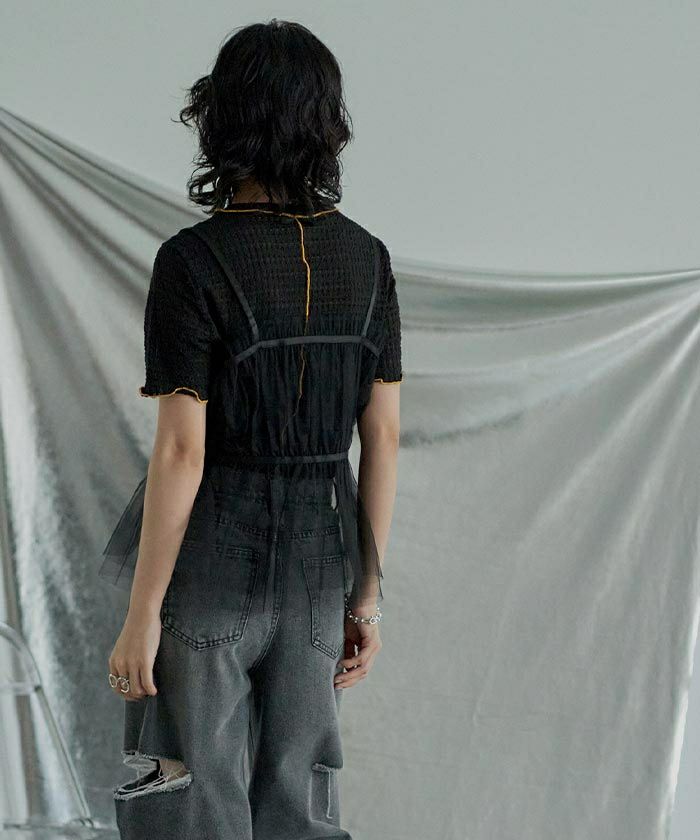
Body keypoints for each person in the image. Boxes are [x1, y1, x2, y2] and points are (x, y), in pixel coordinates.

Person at [99, 18, 402, 840]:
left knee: (188, 799)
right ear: (326, 124)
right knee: (300, 807)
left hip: (209, 571)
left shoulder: (193, 261)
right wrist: (365, 601)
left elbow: (182, 449)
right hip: (318, 574)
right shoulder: (368, 260)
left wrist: (142, 614)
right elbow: (382, 437)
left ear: (220, 120)